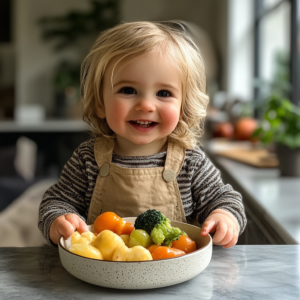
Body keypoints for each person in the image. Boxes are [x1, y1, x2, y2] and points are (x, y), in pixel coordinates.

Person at [38, 21, 246, 249]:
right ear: (100, 103)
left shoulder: (190, 162)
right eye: (128, 90)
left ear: (183, 107)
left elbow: (225, 199)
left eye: (164, 93)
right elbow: (56, 202)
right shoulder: (88, 159)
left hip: (173, 273)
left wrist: (225, 217)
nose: (146, 105)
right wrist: (59, 221)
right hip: (103, 275)